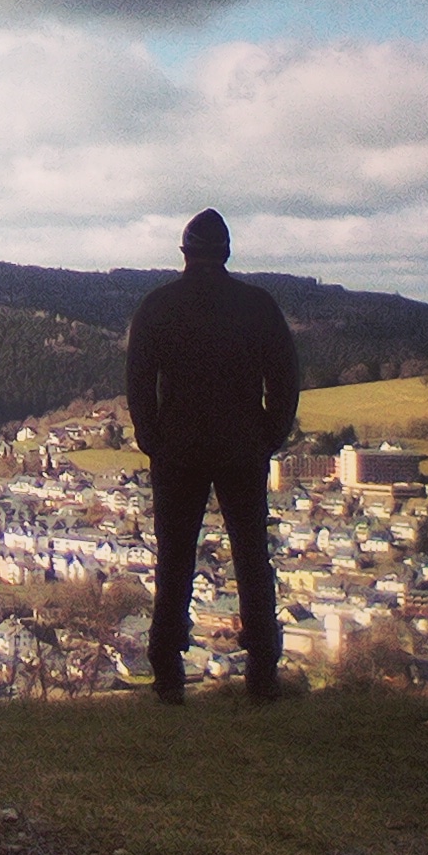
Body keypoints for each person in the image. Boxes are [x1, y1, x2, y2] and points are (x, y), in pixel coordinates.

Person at [124, 208, 300, 703]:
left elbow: (139, 381)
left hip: (178, 448)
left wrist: (152, 438)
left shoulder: (158, 306)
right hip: (241, 445)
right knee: (251, 557)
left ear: (185, 253)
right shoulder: (257, 305)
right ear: (226, 253)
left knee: (175, 559)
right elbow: (284, 379)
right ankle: (262, 672)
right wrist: (268, 435)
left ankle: (168, 674)